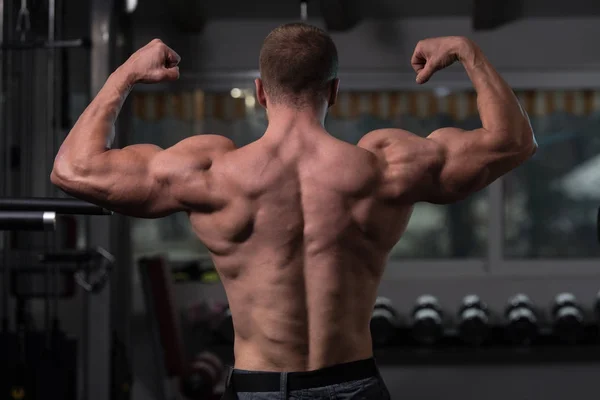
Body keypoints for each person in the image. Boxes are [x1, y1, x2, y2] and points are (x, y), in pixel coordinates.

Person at [51, 23, 536, 399]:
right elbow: (513, 142)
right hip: (353, 381)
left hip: (259, 387)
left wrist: (126, 73)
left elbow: (74, 169)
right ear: (334, 90)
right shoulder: (388, 166)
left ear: (261, 91)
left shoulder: (212, 172)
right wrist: (468, 52)